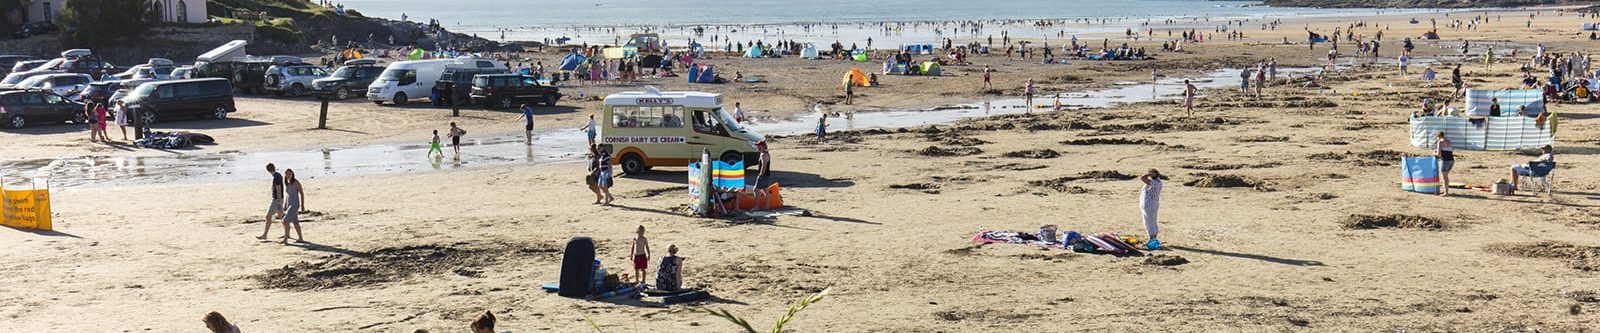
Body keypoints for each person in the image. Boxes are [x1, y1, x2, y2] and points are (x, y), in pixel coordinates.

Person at [278, 169, 306, 244]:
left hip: (295, 204)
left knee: (285, 220)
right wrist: (285, 205)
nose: (288, 175)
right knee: (295, 222)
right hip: (289, 204)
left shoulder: (296, 182)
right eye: (286, 174)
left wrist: (303, 205)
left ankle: (286, 239)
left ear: (292, 174)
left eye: (289, 174)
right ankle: (301, 238)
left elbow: (302, 193)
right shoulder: (287, 183)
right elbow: (287, 195)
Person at [258, 164, 285, 240]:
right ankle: (287, 233)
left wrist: (279, 201)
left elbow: (278, 189)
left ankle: (265, 235)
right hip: (278, 199)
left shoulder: (276, 177)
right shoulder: (278, 175)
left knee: (268, 216)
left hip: (276, 199)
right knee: (281, 216)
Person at [1139, 169, 1164, 242]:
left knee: (1149, 222)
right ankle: (1154, 238)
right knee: (1152, 221)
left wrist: (1149, 175)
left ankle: (1152, 238)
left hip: (1149, 204)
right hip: (1152, 204)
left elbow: (1143, 178)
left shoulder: (1155, 182)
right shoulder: (1157, 182)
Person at [1436, 132, 1454, 196]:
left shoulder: (1440, 142)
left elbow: (1438, 154)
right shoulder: (1448, 141)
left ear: (1438, 136)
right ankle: (1446, 191)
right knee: (1446, 176)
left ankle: (1446, 193)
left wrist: (1433, 153)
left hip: (1445, 161)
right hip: (1451, 160)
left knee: (1444, 177)